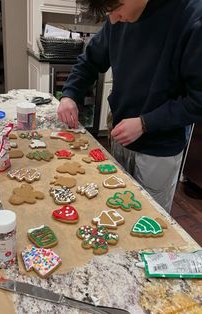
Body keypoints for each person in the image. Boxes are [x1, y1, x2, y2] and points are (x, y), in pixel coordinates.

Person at [57, 0, 202, 213]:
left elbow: (198, 102)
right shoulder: (118, 13)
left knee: (150, 219)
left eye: (114, 10)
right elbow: (90, 61)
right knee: (113, 210)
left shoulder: (192, 18)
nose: (113, 19)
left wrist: (145, 123)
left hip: (159, 150)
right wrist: (69, 94)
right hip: (120, 139)